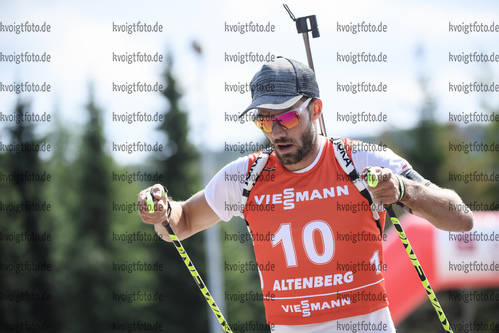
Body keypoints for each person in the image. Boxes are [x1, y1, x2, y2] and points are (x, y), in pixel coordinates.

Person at [137, 57, 473, 332]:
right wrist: (163, 210)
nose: (277, 132)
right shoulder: (245, 176)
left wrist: (404, 189)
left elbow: (460, 218)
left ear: (315, 110)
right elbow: (181, 224)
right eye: (264, 122)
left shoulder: (361, 159)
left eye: (286, 117)